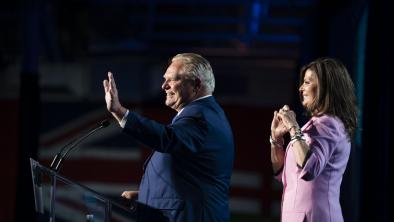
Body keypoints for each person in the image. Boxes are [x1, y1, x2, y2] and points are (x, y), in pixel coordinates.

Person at [103, 53, 234, 222]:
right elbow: (190, 180)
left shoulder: (202, 118)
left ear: (196, 84)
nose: (164, 85)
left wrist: (120, 112)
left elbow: (167, 139)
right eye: (165, 79)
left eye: (172, 80)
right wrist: (146, 197)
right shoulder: (204, 114)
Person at [269, 57, 357, 222]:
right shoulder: (314, 125)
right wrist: (276, 140)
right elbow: (282, 175)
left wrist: (293, 127)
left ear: (326, 88)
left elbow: (310, 169)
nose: (301, 88)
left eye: (308, 82)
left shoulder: (329, 124)